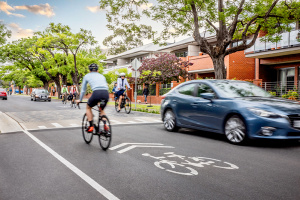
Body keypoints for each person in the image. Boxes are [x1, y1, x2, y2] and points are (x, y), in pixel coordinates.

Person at [76, 63, 109, 133]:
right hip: (106, 93)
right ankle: (105, 125)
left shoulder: (87, 76)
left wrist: (80, 99)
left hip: (96, 93)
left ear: (89, 70)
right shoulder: (102, 76)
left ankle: (91, 126)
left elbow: (83, 90)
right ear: (98, 70)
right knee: (101, 110)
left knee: (88, 107)